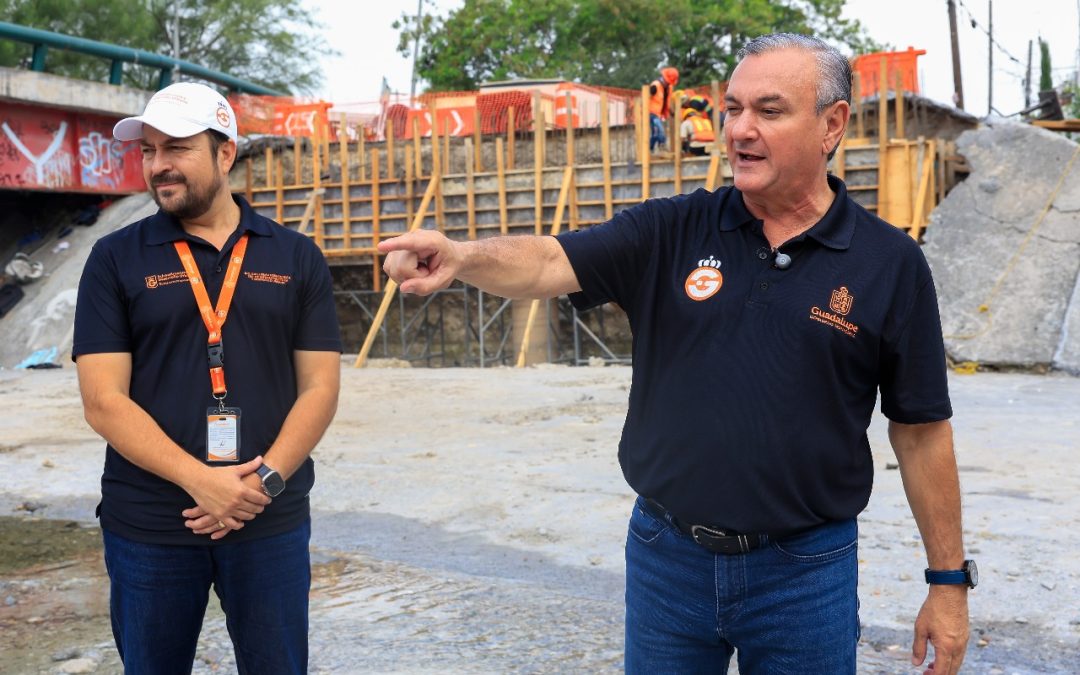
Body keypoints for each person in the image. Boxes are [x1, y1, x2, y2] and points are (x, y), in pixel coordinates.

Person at [378, 32, 972, 674]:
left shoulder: (890, 264)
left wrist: (947, 582)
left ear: (832, 124)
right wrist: (463, 256)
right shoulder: (672, 230)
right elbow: (549, 261)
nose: (740, 130)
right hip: (668, 559)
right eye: (733, 109)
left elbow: (920, 432)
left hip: (806, 572)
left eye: (768, 112)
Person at [73, 82, 342, 674]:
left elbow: (320, 387)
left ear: (225, 153)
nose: (158, 165)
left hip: (267, 520)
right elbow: (102, 400)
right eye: (148, 150)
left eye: (177, 147)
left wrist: (261, 484)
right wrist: (204, 482)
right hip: (149, 527)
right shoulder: (115, 258)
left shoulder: (295, 256)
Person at [648, 66, 679, 152]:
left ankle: (650, 150)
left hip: (659, 114)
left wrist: (671, 111)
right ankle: (662, 145)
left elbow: (667, 101)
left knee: (655, 133)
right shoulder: (655, 85)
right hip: (651, 113)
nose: (669, 83)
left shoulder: (669, 88)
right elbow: (645, 97)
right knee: (659, 129)